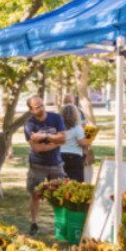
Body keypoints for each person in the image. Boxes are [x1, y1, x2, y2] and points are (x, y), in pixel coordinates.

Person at [23, 96, 66, 235]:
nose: (41, 108)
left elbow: (63, 138)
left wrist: (44, 138)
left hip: (56, 164)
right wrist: (56, 142)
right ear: (31, 110)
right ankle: (34, 223)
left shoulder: (56, 118)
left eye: (42, 105)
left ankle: (61, 224)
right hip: (37, 165)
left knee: (61, 195)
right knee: (35, 195)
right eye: (37, 107)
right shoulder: (29, 125)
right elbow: (37, 149)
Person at [59, 104, 92, 182]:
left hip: (60, 156)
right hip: (74, 157)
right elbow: (83, 143)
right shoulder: (77, 128)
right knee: (75, 182)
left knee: (61, 181)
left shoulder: (59, 127)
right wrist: (89, 136)